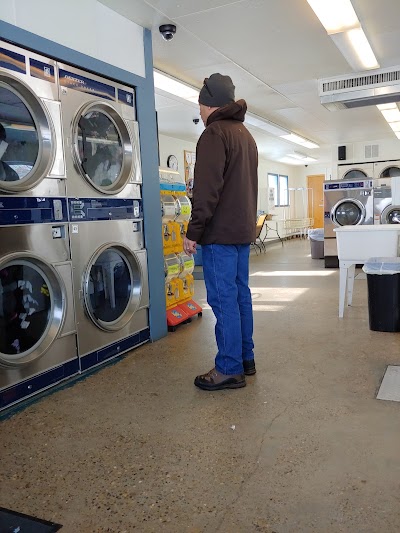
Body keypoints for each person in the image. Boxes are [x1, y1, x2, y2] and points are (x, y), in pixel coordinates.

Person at [183, 73, 258, 391]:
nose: (198, 111)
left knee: (223, 299)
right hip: (241, 232)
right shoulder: (245, 134)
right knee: (240, 296)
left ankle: (228, 368)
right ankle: (245, 359)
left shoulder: (213, 135)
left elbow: (206, 190)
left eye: (199, 105)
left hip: (220, 235)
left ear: (208, 103)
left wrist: (193, 231)